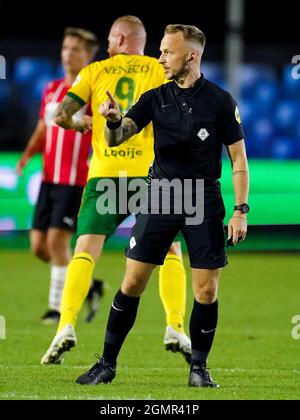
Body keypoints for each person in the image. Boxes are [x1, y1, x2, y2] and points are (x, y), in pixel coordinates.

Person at [75, 24, 250, 388]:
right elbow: (119, 135)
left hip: (203, 198)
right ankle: (106, 364)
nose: (161, 58)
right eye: (160, 50)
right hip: (159, 195)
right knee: (133, 281)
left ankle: (199, 370)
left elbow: (238, 161)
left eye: (168, 52)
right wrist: (110, 121)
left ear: (191, 55)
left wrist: (240, 210)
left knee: (206, 290)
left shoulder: (220, 101)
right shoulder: (154, 97)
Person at [41, 16, 191, 365]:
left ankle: (65, 325)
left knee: (85, 250)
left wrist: (81, 123)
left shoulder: (95, 71)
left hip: (106, 175)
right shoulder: (159, 69)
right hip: (150, 176)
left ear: (122, 39)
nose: (108, 45)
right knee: (169, 250)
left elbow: (61, 115)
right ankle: (174, 325)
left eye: (111, 39)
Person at [16, 28, 104, 324]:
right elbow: (44, 127)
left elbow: (106, 127)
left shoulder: (92, 92)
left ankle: (57, 309)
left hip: (75, 180)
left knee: (56, 243)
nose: (68, 54)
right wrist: (29, 154)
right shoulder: (52, 89)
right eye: (66, 47)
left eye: (76, 49)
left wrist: (84, 123)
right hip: (49, 178)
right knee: (39, 247)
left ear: (89, 56)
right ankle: (90, 285)